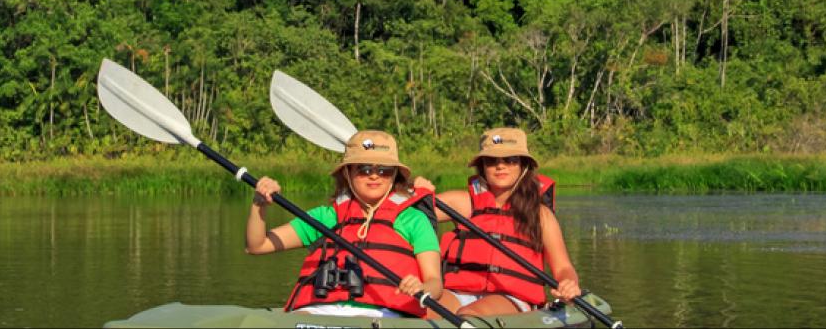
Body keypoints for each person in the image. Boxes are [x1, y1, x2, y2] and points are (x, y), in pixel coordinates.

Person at [245, 130, 443, 318]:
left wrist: (422, 288)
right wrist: (258, 205)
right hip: (318, 311)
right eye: (364, 169)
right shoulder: (326, 217)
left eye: (384, 170)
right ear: (347, 173)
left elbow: (435, 283)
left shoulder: (414, 220)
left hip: (382, 314)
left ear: (394, 175)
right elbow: (257, 245)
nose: (374, 176)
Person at [417, 127, 582, 316]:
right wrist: (416, 194)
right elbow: (408, 214)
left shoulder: (540, 215)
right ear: (482, 166)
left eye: (510, 160)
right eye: (492, 161)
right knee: (424, 312)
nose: (500, 166)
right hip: (457, 292)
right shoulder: (463, 203)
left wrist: (569, 283)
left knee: (471, 315)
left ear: (523, 165)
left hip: (511, 298)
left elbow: (563, 268)